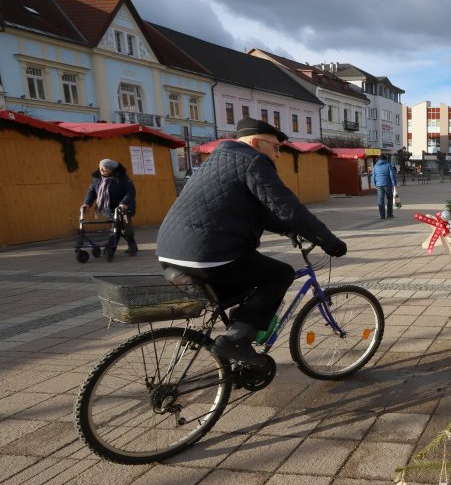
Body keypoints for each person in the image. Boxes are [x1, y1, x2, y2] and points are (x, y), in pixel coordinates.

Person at [156, 117, 347, 366]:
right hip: (208, 253)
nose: (278, 155)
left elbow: (255, 209)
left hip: (169, 251)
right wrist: (328, 240)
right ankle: (236, 339)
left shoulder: (217, 159)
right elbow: (286, 207)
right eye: (276, 148)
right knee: (279, 274)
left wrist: (288, 230)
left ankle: (236, 354)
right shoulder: (253, 160)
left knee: (246, 287)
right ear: (256, 143)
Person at [82, 158, 138, 257]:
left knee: (117, 227)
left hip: (123, 207)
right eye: (100, 167)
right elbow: (91, 192)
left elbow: (130, 192)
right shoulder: (97, 179)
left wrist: (124, 202)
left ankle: (110, 249)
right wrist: (87, 203)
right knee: (121, 228)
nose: (101, 169)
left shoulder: (122, 178)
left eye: (104, 167)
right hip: (109, 207)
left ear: (111, 169)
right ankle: (132, 245)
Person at [371, 154, 397, 219]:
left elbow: (373, 176)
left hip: (379, 185)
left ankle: (382, 215)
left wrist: (374, 185)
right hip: (388, 184)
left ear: (379, 159)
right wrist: (394, 184)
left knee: (380, 200)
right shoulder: (388, 165)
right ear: (385, 159)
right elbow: (392, 175)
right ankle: (389, 214)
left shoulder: (375, 166)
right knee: (390, 199)